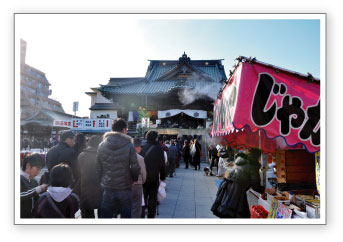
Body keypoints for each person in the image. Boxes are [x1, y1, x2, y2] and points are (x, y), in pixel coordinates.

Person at [211, 148, 275, 218]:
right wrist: (268, 190)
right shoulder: (253, 165)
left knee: (227, 212)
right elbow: (256, 186)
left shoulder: (241, 161)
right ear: (257, 156)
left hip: (228, 189)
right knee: (236, 215)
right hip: (237, 193)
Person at [96, 118, 141, 218]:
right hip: (124, 187)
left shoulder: (102, 145)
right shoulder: (129, 145)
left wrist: (102, 180)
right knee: (125, 217)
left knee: (106, 217)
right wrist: (134, 179)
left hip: (107, 187)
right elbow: (135, 166)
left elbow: (98, 167)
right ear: (124, 130)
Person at [140, 130, 166, 218]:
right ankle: (151, 217)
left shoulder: (142, 147)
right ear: (156, 138)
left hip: (143, 177)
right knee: (152, 199)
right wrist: (163, 177)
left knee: (143, 199)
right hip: (154, 177)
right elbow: (162, 165)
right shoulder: (159, 149)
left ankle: (142, 216)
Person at [77, 135, 103, 218]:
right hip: (102, 189)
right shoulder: (104, 155)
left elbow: (77, 172)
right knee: (103, 214)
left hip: (85, 188)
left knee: (87, 214)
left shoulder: (82, 155)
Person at [20, 153, 47, 218]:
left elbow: (36, 199)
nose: (38, 172)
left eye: (40, 170)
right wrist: (38, 189)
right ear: (28, 166)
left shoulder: (33, 181)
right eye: (37, 169)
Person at [131, 138, 147, 218]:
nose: (141, 148)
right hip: (137, 184)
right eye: (140, 146)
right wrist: (142, 181)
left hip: (125, 184)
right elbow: (143, 174)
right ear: (136, 147)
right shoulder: (140, 158)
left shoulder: (124, 155)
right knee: (136, 208)